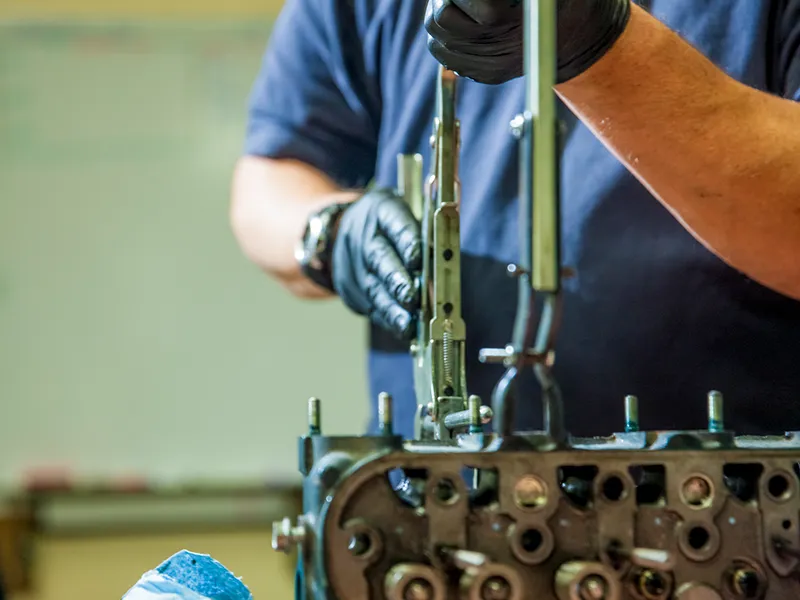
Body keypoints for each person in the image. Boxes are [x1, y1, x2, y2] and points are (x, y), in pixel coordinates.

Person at [230, 0, 800, 440]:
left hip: (728, 526)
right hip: (431, 527)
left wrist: (599, 44)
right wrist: (333, 232)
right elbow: (269, 180)